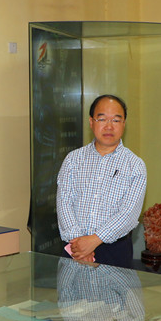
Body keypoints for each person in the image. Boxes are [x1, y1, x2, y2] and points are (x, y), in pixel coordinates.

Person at [56, 94, 147, 268]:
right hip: (74, 248)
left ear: (124, 124)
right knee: (71, 287)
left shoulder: (135, 165)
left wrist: (94, 240)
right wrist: (80, 244)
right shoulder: (73, 159)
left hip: (115, 251)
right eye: (102, 119)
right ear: (91, 122)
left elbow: (128, 214)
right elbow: (64, 202)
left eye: (116, 120)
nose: (109, 126)